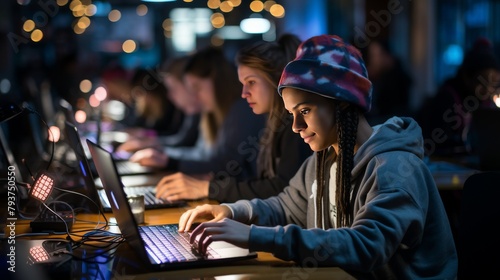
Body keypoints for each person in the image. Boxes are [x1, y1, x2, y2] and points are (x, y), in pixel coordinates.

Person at [177, 35, 458, 279]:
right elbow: (286, 206)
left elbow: (366, 245)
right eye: (291, 114)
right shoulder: (324, 159)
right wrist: (232, 211)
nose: (297, 126)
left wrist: (253, 236)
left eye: (305, 111)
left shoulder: (396, 167)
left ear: (343, 104)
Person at [153, 34, 313, 203]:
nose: (244, 93)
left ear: (276, 79)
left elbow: (281, 188)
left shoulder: (293, 125)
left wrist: (208, 188)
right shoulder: (271, 120)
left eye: (251, 82)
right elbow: (260, 182)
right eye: (243, 84)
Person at [129, 46, 266, 182]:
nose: (194, 95)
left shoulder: (241, 110)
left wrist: (168, 160)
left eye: (197, 88)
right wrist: (163, 155)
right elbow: (201, 154)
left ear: (218, 82)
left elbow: (223, 164)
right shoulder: (212, 114)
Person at [422, 37, 500, 157]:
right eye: (483, 82)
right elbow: (435, 145)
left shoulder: (485, 103)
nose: (489, 89)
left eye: (494, 84)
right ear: (467, 77)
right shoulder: (447, 99)